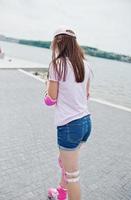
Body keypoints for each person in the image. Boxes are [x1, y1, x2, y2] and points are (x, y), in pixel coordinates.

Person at [44, 26, 92, 200]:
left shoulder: (57, 64)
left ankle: (66, 192)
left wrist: (46, 91)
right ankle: (61, 193)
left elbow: (51, 99)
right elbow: (87, 95)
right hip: (86, 122)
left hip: (69, 125)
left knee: (73, 175)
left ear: (57, 43)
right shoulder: (86, 65)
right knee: (64, 161)